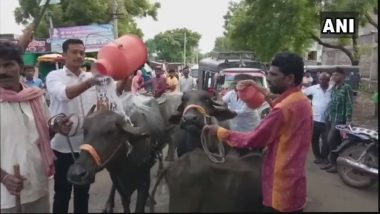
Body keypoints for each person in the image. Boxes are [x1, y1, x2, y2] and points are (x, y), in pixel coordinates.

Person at [205, 52, 313, 213]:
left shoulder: (282, 109)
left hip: (279, 188)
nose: (268, 77)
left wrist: (219, 131)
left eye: (273, 74)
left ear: (289, 78)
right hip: (295, 183)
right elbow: (275, 100)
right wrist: (254, 85)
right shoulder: (302, 100)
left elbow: (254, 139)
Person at [0, 39, 70, 212]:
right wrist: (4, 178)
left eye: (8, 65)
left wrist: (58, 127)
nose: (2, 71)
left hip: (37, 185)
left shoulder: (35, 96)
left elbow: (45, 131)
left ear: (21, 67)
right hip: (5, 195)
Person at [321, 67, 353, 173]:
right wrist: (326, 114)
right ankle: (332, 162)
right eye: (333, 75)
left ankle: (335, 164)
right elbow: (332, 102)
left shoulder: (346, 87)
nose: (334, 77)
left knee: (331, 140)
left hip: (339, 119)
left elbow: (349, 104)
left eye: (337, 75)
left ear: (343, 76)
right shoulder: (334, 87)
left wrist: (348, 119)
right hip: (330, 118)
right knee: (332, 141)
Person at [303, 72, 332, 165]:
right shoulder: (314, 88)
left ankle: (324, 157)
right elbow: (302, 94)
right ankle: (318, 157)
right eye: (321, 79)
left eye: (325, 79)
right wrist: (307, 103)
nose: (323, 81)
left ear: (329, 80)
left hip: (327, 121)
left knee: (326, 141)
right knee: (314, 140)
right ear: (319, 79)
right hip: (315, 120)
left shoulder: (332, 89)